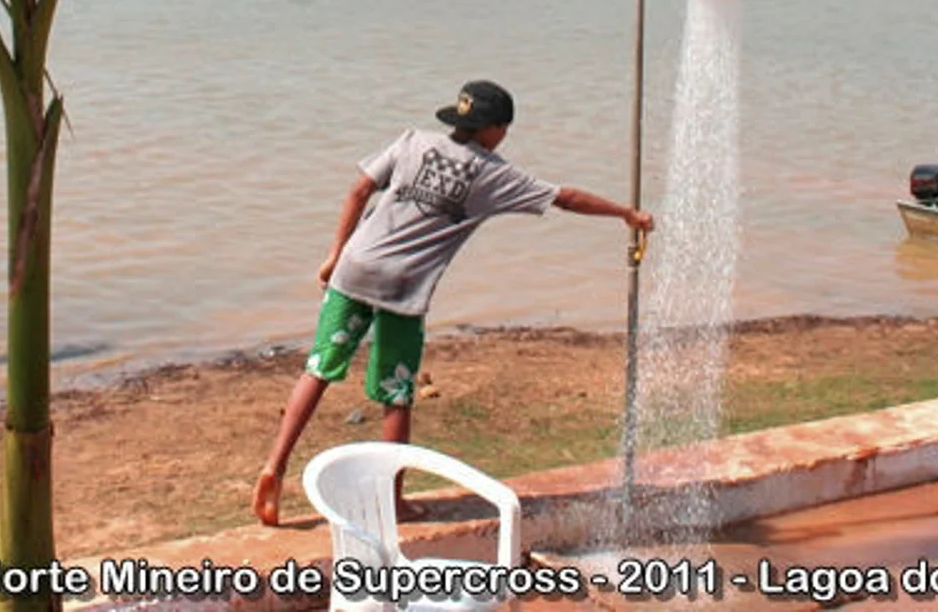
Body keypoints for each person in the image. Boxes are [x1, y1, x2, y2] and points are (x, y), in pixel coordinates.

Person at [251, 79, 654, 526]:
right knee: (396, 394)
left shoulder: (411, 142)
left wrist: (333, 255)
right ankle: (393, 499)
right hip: (403, 291)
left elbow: (358, 191)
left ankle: (274, 466)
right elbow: (564, 198)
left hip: (354, 269)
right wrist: (625, 214)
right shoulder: (492, 174)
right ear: (495, 129)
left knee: (318, 368)